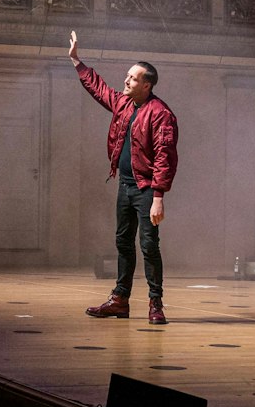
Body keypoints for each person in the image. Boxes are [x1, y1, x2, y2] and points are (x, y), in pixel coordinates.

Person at [69, 31, 178, 325]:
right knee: (123, 243)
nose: (126, 80)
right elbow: (99, 88)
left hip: (145, 190)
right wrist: (77, 61)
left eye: (132, 77)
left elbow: (164, 157)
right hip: (125, 186)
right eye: (127, 76)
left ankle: (156, 304)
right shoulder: (123, 103)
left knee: (148, 245)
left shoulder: (161, 114)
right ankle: (120, 300)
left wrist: (158, 198)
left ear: (147, 84)